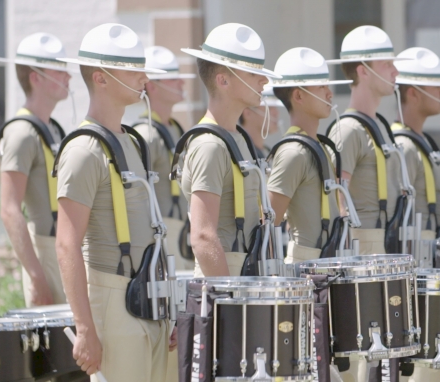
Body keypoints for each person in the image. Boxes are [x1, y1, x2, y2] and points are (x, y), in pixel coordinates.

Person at [54, 23, 175, 381]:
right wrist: (85, 328)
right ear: (101, 78)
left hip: (151, 295)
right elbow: (66, 243)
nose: (143, 77)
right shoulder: (82, 150)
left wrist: (166, 304)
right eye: (131, 68)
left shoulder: (133, 141)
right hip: (114, 297)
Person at [178, 23, 279, 277]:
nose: (264, 80)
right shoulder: (209, 145)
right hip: (225, 281)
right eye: (252, 72)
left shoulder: (237, 139)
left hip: (244, 274)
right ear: (223, 80)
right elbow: (202, 237)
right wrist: (229, 299)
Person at [0, 32, 71, 307]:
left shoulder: (52, 129)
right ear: (36, 77)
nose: (69, 76)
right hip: (45, 255)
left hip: (62, 250)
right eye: (59, 69)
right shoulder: (21, 133)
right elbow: (9, 209)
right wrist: (37, 278)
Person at [325, 25, 405, 255]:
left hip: (386, 243)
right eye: (387, 64)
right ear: (364, 71)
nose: (395, 71)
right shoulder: (348, 130)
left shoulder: (379, 125)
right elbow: (338, 201)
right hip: (362, 252)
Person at [267, 47, 351, 263]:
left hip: (329, 260)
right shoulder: (293, 153)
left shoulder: (320, 146)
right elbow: (268, 222)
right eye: (321, 86)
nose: (329, 93)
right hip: (305, 267)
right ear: (298, 95)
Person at [132, 46, 196, 271]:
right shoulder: (146, 133)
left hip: (182, 231)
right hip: (159, 232)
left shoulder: (175, 129)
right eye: (173, 79)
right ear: (151, 85)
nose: (182, 84)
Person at [391, 47, 440, 241]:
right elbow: (396, 212)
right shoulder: (403, 145)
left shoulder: (422, 142)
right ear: (413, 94)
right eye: (435, 85)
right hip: (415, 251)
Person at [239, 87, 282, 158]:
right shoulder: (240, 152)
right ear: (247, 113)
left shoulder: (266, 152)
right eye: (269, 107)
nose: (276, 113)